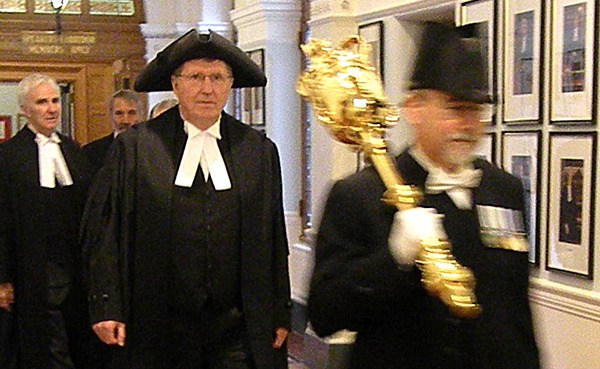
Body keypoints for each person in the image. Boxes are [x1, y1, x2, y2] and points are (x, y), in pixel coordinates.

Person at [307, 22, 540, 369]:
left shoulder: (503, 189)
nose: (467, 124)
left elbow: (515, 312)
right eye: (454, 108)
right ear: (414, 108)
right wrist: (394, 259)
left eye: (476, 111)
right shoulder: (359, 195)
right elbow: (325, 314)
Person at [81, 29, 291, 369]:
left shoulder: (258, 150)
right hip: (157, 321)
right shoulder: (137, 147)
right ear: (175, 85)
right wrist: (107, 305)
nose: (207, 88)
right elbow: (106, 230)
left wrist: (280, 309)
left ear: (230, 85)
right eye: (196, 77)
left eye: (217, 77)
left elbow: (273, 235)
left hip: (236, 324)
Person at [0, 74, 92, 369]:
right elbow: (2, 221)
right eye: (42, 102)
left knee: (74, 343)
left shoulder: (73, 151)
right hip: (32, 270)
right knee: (46, 349)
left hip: (74, 270)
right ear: (25, 109)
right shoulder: (8, 156)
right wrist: (3, 279)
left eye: (54, 101)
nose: (52, 109)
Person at [82, 89, 142, 175]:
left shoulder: (153, 150)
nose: (126, 120)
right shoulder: (91, 153)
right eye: (119, 113)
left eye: (131, 113)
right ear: (111, 116)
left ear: (140, 115)